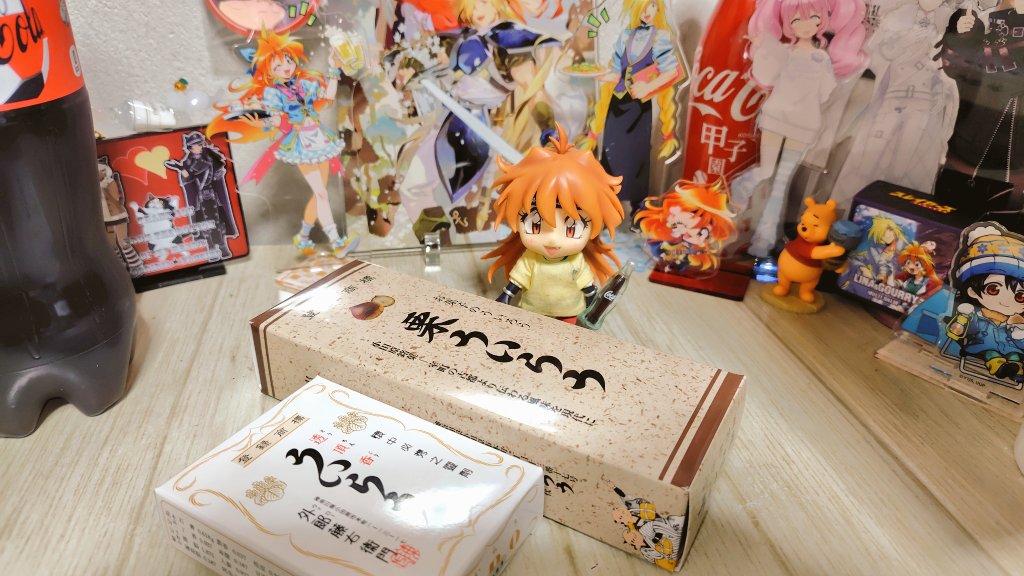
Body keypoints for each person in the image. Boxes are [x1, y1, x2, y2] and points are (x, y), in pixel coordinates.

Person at [731, 0, 867, 258]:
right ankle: (742, 185)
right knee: (767, 171)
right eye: (795, 20)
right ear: (787, 24)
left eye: (813, 18)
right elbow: (769, 77)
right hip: (776, 118)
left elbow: (826, 92)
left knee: (781, 183)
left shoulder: (822, 59)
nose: (804, 25)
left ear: (822, 20)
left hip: (804, 124)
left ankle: (763, 240)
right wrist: (764, 48)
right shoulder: (784, 51)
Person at [207, 29, 357, 258]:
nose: (286, 66)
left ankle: (303, 237)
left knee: (320, 194)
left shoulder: (305, 84)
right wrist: (260, 121)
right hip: (302, 144)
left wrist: (334, 68)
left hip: (319, 138)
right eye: (277, 66)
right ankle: (337, 243)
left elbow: (327, 98)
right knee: (322, 194)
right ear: (268, 71)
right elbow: (276, 120)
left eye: (287, 60)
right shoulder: (274, 94)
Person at [484, 124, 624, 320]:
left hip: (569, 314)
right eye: (536, 225)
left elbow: (588, 287)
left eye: (571, 229)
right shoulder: (530, 259)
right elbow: (516, 282)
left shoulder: (576, 261)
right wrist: (505, 297)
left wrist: (593, 303)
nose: (553, 239)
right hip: (531, 314)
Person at [579, 0, 683, 224]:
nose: (647, 12)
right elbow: (617, 71)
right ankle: (607, 208)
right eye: (642, 8)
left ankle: (638, 210)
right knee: (610, 156)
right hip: (617, 105)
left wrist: (648, 86)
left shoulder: (660, 37)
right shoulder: (627, 35)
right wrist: (598, 75)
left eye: (651, 6)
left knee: (637, 157)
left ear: (658, 8)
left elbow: (671, 72)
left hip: (638, 108)